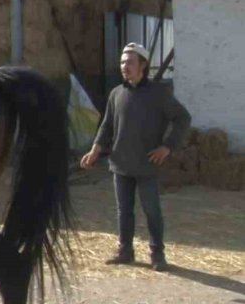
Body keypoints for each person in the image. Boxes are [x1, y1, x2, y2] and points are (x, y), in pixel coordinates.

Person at [80, 42, 191, 272]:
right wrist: (95, 149)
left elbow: (183, 118)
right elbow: (107, 126)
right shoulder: (116, 94)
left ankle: (157, 254)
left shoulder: (159, 94)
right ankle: (125, 251)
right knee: (124, 211)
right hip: (120, 164)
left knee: (152, 210)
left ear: (143, 65)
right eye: (122, 62)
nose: (124, 66)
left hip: (147, 164)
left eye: (129, 62)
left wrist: (167, 147)